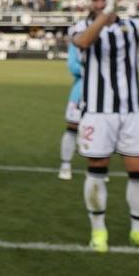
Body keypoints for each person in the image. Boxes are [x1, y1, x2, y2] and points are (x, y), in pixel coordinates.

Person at [69, 0, 139, 255]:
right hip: (97, 114)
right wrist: (105, 14)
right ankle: (98, 231)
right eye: (96, 0)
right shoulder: (80, 25)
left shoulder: (132, 26)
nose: (99, 4)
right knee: (97, 171)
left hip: (131, 112)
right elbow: (85, 42)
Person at [57, 43, 82, 181]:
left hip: (105, 93)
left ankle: (100, 169)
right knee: (72, 128)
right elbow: (73, 66)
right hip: (81, 92)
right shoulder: (78, 37)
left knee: (103, 129)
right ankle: (65, 165)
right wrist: (93, 69)